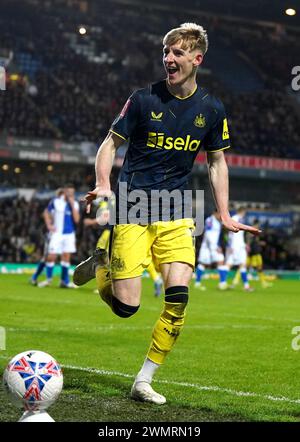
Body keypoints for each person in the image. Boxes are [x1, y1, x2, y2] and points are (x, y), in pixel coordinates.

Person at [73, 23, 260, 404]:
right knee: (127, 307)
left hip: (177, 209)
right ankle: (104, 265)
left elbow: (217, 162)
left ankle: (143, 380)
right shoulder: (142, 99)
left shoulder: (211, 109)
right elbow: (110, 144)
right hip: (134, 205)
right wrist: (105, 184)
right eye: (165, 52)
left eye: (176, 53)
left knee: (178, 299)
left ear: (196, 58)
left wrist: (223, 213)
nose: (168, 59)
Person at [84, 199, 163, 297]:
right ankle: (156, 278)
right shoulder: (121, 200)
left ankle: (108, 284)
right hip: (126, 230)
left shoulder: (107, 202)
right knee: (142, 255)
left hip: (112, 231)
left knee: (104, 256)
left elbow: (105, 217)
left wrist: (91, 222)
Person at [38, 184, 80, 288]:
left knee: (66, 257)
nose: (71, 194)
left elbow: (77, 219)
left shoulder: (75, 204)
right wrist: (49, 225)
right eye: (69, 192)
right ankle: (48, 280)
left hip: (69, 234)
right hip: (57, 234)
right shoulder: (56, 201)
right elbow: (46, 212)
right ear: (65, 191)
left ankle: (64, 282)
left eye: (72, 193)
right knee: (51, 256)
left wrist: (71, 202)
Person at [30, 188, 63, 286]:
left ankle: (38, 277)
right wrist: (49, 224)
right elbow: (45, 213)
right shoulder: (53, 205)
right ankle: (37, 277)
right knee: (47, 257)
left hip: (62, 235)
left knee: (52, 257)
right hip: (52, 235)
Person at [195, 210, 227, 290]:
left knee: (220, 261)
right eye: (220, 214)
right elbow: (208, 234)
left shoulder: (218, 222)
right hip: (208, 247)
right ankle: (198, 283)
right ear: (215, 213)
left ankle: (222, 283)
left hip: (213, 246)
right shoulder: (210, 220)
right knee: (204, 264)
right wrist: (215, 247)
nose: (221, 216)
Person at [223, 207, 253, 292]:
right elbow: (231, 233)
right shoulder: (234, 218)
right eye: (244, 212)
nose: (244, 214)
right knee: (229, 264)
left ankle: (246, 286)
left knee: (243, 264)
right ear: (241, 211)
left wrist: (244, 244)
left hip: (240, 245)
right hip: (235, 245)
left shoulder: (241, 219)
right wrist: (231, 245)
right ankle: (222, 282)